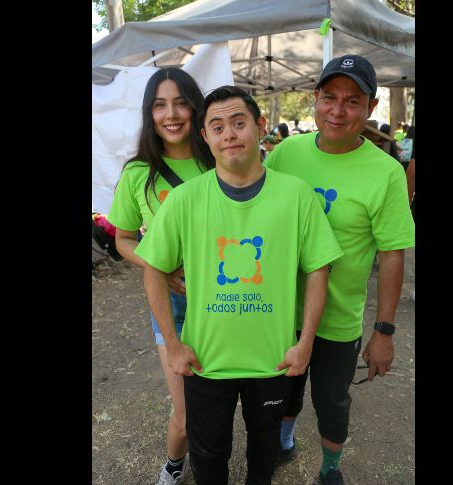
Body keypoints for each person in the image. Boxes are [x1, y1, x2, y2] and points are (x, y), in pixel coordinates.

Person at [135, 85, 344, 485]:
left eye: (238, 122)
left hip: (273, 361)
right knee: (209, 458)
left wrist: (306, 344)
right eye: (217, 126)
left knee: (264, 456)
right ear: (205, 137)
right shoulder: (184, 200)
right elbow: (152, 269)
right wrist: (173, 344)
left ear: (259, 127)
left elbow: (318, 270)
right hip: (205, 363)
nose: (228, 133)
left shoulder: (296, 195)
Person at [264, 54, 415, 484]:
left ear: (370, 107)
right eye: (329, 97)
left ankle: (330, 470)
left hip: (338, 319)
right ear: (315, 99)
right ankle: (284, 441)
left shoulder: (386, 172)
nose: (338, 110)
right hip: (279, 311)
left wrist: (383, 331)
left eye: (352, 101)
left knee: (332, 402)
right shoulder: (286, 153)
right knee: (283, 393)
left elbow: (393, 253)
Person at [106, 67, 215, 485]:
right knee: (186, 412)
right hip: (171, 305)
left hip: (227, 296)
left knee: (221, 395)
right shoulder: (138, 174)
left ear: (195, 107)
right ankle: (174, 463)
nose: (171, 114)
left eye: (181, 102)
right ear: (149, 114)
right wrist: (161, 269)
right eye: (159, 104)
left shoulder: (218, 161)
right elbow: (124, 240)